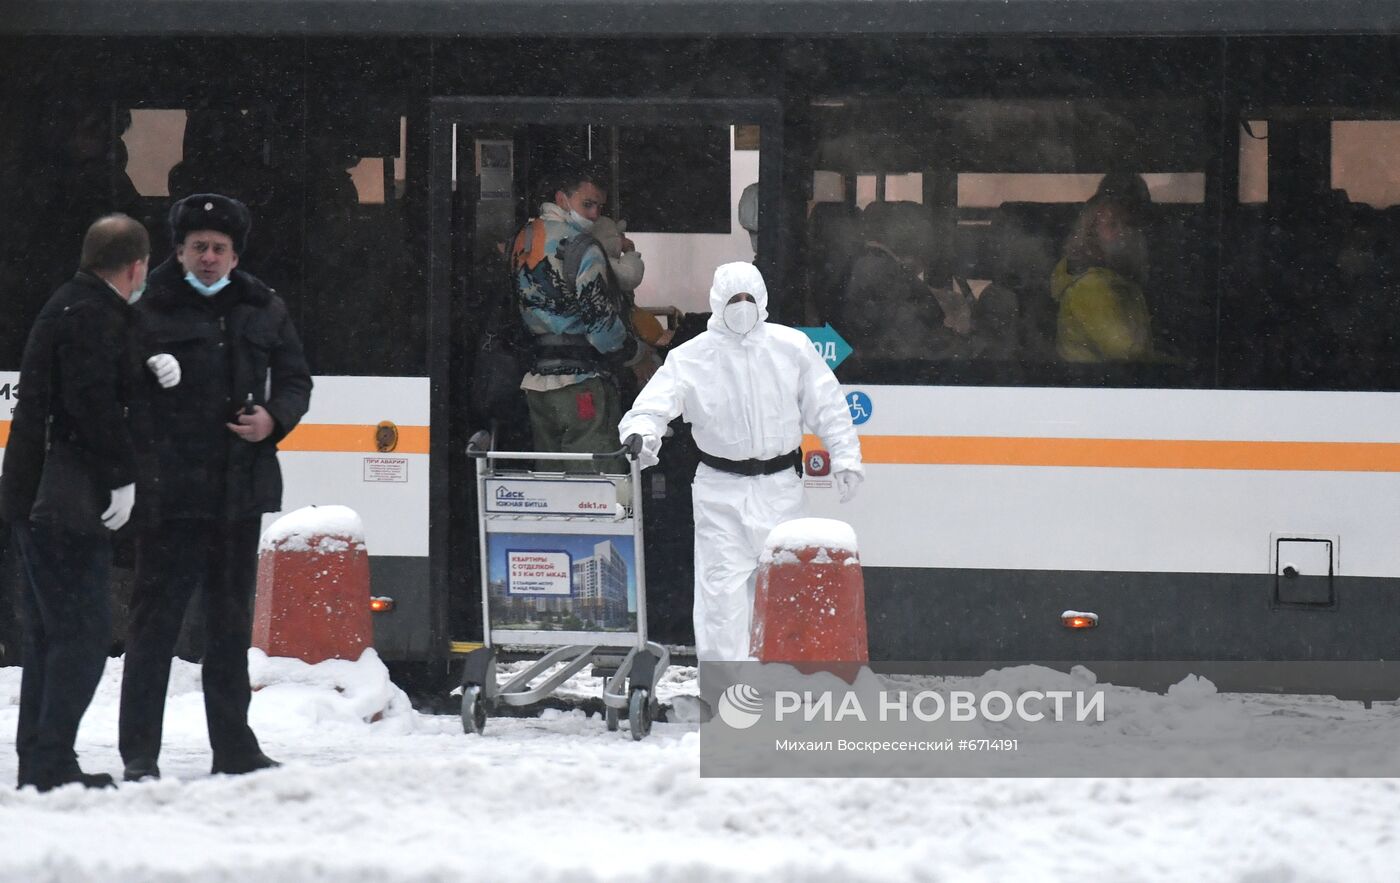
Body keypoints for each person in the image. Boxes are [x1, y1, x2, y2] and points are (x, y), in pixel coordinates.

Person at [118, 193, 312, 782]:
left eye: (219, 249)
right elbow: (111, 380)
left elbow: (297, 380)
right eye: (198, 246)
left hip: (236, 491)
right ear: (178, 250)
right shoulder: (145, 305)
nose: (208, 258)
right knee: (154, 625)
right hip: (169, 492)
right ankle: (139, 755)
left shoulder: (263, 306)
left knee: (229, 628)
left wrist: (273, 420)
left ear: (234, 255)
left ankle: (234, 748)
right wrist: (145, 373)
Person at [617, 262, 864, 661]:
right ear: (718, 301)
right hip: (721, 491)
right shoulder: (691, 357)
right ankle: (727, 698)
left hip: (781, 487)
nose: (743, 306)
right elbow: (651, 407)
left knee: (787, 593)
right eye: (734, 299)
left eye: (750, 298)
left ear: (763, 299)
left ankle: (783, 686)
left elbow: (827, 404)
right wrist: (642, 436)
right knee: (722, 601)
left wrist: (846, 456)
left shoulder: (791, 348)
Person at [0, 214, 158, 791]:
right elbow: (90, 402)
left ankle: (40, 762)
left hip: (31, 495)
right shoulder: (92, 314)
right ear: (137, 265)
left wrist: (151, 366)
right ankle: (52, 762)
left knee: (48, 635)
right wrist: (122, 476)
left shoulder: (72, 303)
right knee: (83, 636)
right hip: (62, 501)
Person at [510, 164, 653, 470]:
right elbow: (602, 327)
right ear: (562, 199)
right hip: (581, 383)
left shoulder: (523, 238)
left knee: (550, 485)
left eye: (599, 207)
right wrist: (637, 354)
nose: (593, 215)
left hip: (535, 382)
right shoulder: (582, 247)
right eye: (587, 204)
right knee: (595, 489)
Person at [1052, 176, 1154, 362]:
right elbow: (1127, 353)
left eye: (1129, 224)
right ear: (1091, 236)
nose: (1124, 232)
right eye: (1112, 225)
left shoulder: (1118, 281)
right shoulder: (1091, 287)